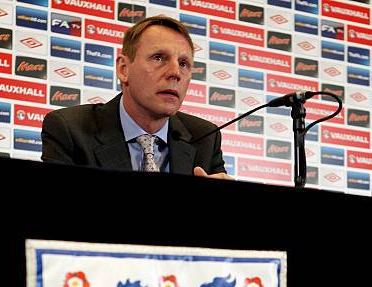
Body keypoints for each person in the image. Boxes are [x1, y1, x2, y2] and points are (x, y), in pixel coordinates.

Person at [41, 15, 232, 179]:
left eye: (183, 63)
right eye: (159, 58)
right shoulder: (69, 129)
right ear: (124, 69)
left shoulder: (205, 138)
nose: (175, 72)